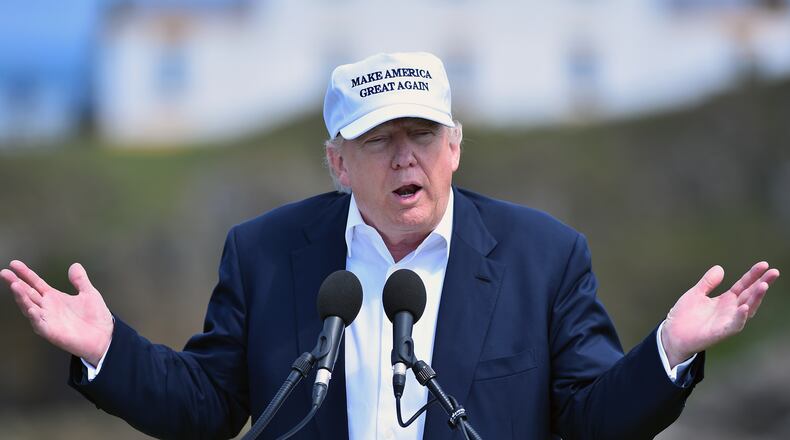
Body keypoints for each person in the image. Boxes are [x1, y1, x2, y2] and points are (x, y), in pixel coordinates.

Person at [0, 52, 781, 440]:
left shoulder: (545, 256)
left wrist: (668, 352)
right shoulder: (267, 253)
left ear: (455, 149)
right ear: (339, 163)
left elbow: (589, 421)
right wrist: (109, 350)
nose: (406, 156)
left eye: (423, 135)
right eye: (380, 141)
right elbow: (208, 406)